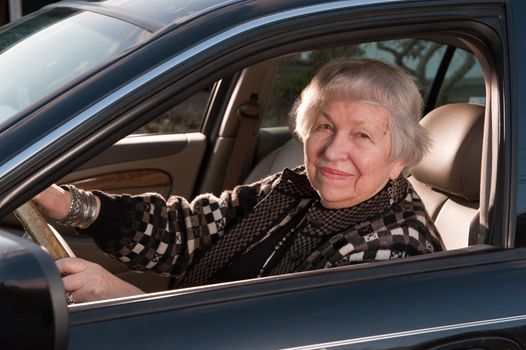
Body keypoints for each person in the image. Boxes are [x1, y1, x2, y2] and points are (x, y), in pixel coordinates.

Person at [34, 58, 445, 303]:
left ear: (400, 159)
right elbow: (189, 230)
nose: (334, 151)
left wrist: (123, 301)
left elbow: (278, 337)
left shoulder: (395, 249)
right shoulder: (295, 190)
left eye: (363, 135)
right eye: (324, 126)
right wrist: (71, 205)